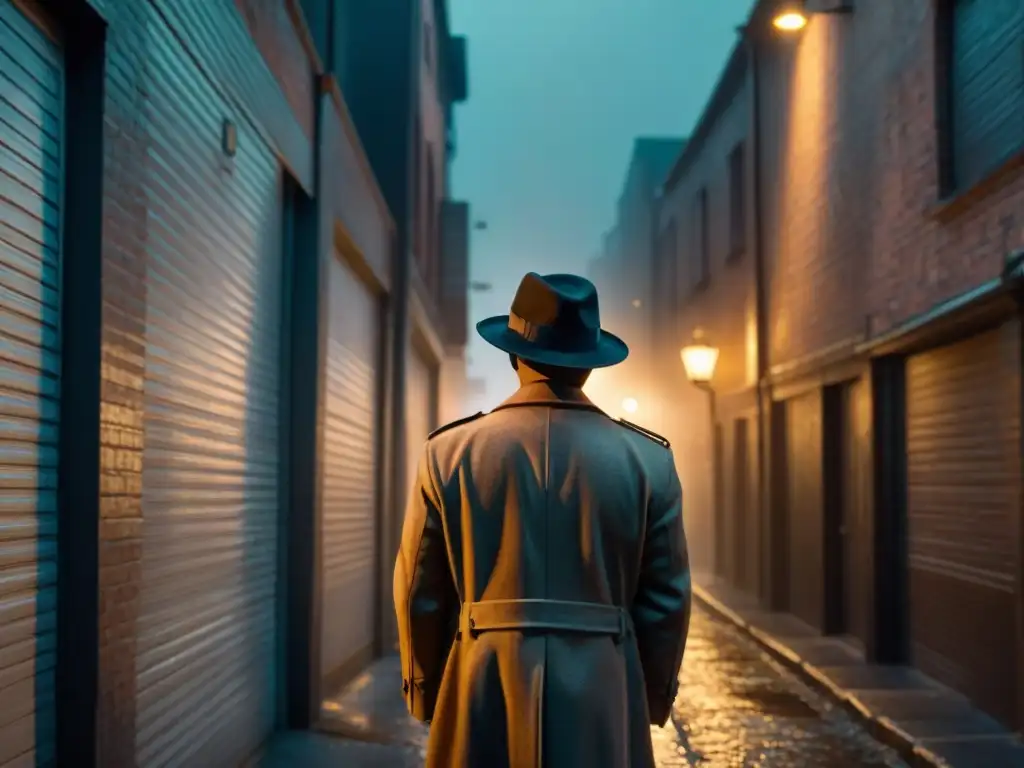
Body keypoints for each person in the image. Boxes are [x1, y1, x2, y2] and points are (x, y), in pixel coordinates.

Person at [394, 272, 691, 768]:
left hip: (483, 682)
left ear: (513, 354)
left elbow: (420, 589)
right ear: (590, 364)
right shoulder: (649, 462)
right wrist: (651, 697)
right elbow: (667, 598)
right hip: (603, 690)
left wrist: (425, 690)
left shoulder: (448, 453)